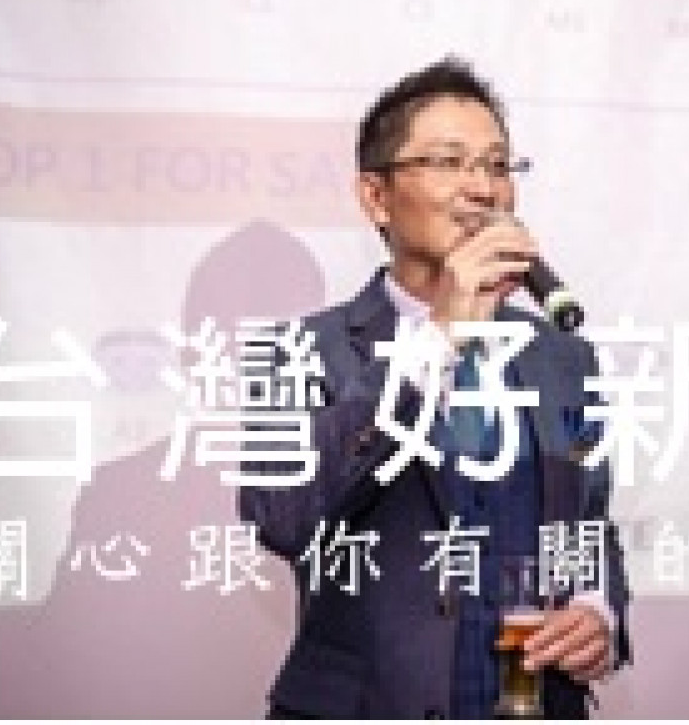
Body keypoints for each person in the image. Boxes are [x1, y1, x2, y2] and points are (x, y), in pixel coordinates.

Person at [239, 57, 631, 719]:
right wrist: (438, 337)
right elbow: (281, 515)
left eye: (498, 165)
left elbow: (590, 525)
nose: (483, 187)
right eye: (450, 162)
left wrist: (599, 611)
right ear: (376, 197)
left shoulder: (562, 357)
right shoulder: (297, 350)